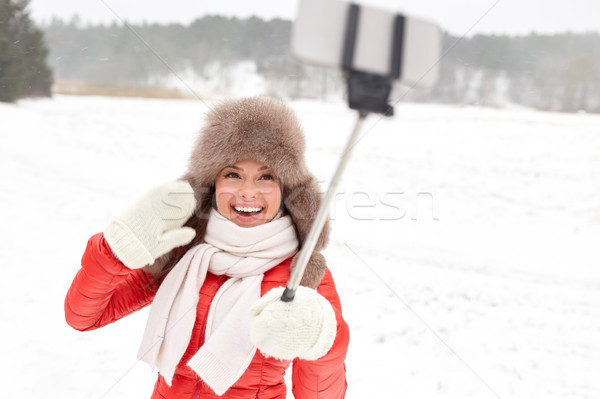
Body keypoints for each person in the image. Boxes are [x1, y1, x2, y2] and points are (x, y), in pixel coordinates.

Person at [64, 97, 349, 398]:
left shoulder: (302, 276)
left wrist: (320, 339)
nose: (247, 192)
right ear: (212, 185)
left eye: (266, 176)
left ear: (287, 189)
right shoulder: (183, 254)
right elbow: (83, 317)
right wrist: (116, 251)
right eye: (232, 174)